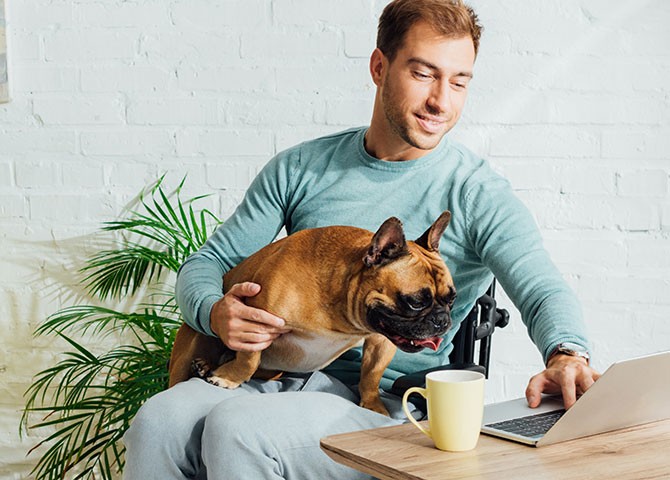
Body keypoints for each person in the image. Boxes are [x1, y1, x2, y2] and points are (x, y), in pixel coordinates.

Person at [123, 0, 601, 478]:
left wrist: (567, 354)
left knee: (238, 429)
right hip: (272, 376)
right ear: (379, 66)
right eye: (423, 74)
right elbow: (208, 262)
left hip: (388, 403)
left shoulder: (476, 191)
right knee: (156, 422)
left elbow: (541, 286)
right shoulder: (302, 168)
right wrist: (214, 311)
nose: (441, 101)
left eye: (459, 81)